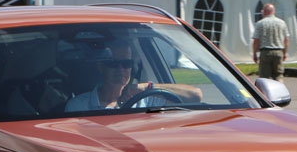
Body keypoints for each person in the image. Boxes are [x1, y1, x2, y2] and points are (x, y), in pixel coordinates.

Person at [65, 39, 201, 112]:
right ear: (101, 67)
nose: (120, 69)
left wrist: (145, 87)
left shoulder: (147, 99)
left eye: (126, 63)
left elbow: (195, 96)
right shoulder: (79, 106)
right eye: (113, 64)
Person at [252, 3, 289, 81]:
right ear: (273, 11)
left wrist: (254, 53)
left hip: (265, 51)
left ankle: (266, 88)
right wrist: (285, 52)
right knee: (278, 75)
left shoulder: (260, 23)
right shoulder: (281, 22)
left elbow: (256, 40)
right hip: (278, 51)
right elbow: (286, 39)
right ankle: (279, 87)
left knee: (265, 77)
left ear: (264, 11)